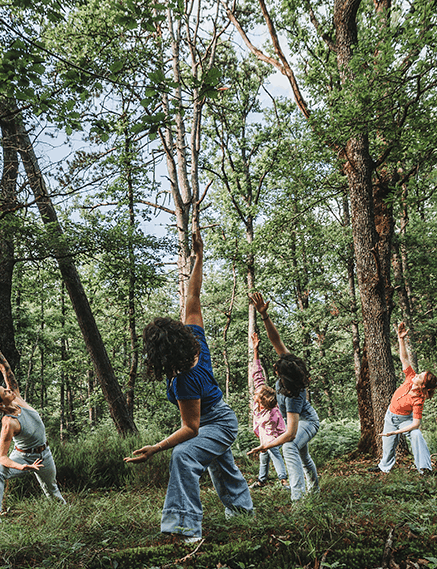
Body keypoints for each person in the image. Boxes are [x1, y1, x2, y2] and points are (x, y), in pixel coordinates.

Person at [125, 230, 253, 543]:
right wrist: (199, 255)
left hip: (217, 424)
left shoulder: (184, 380)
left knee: (184, 455)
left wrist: (154, 449)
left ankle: (185, 528)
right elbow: (193, 297)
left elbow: (191, 428)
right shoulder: (196, 341)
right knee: (221, 466)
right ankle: (243, 514)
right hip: (222, 417)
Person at [0, 327, 66, 524]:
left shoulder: (17, 398)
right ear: (1, 404)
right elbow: (1, 456)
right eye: (5, 392)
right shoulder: (8, 423)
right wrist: (21, 466)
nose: (9, 390)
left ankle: (64, 517)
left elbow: (5, 369)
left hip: (44, 454)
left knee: (52, 490)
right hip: (23, 456)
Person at [246, 292, 320, 502]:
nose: (275, 367)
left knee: (289, 446)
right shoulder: (291, 364)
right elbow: (275, 339)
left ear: (283, 376)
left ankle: (298, 501)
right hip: (296, 422)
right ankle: (314, 493)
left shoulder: (294, 395)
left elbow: (289, 434)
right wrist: (264, 316)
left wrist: (265, 446)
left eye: (276, 368)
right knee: (304, 456)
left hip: (308, 422)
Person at [370, 322, 437, 475]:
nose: (417, 374)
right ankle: (383, 467)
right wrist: (401, 339)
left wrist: (397, 432)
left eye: (420, 376)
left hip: (405, 420)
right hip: (390, 416)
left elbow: (416, 424)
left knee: (416, 434)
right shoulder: (410, 377)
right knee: (387, 445)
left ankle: (424, 468)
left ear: (423, 385)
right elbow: (404, 358)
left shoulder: (418, 400)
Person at [248, 331, 289, 490]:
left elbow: (276, 433)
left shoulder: (272, 413)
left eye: (257, 397)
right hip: (263, 435)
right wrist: (255, 350)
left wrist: (266, 444)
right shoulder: (261, 393)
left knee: (273, 453)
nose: (255, 396)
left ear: (263, 403)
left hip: (273, 437)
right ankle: (261, 480)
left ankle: (283, 480)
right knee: (263, 456)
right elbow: (257, 373)